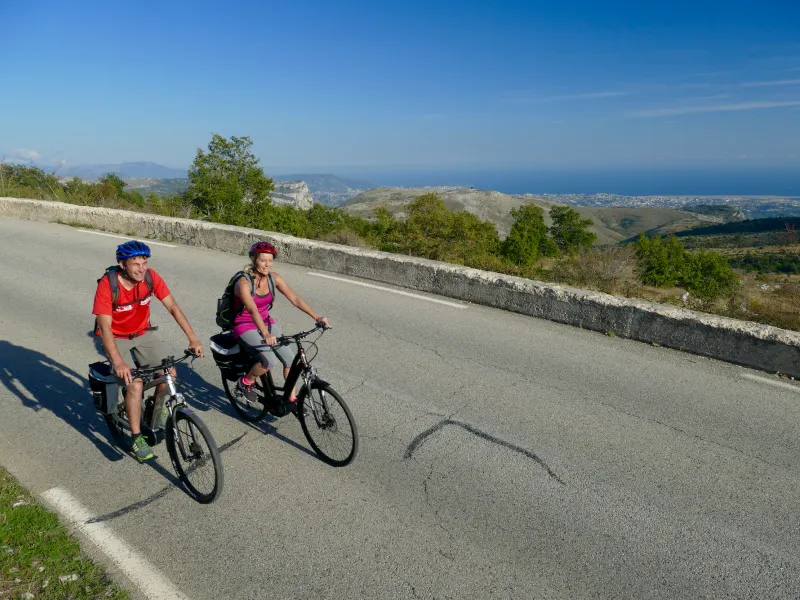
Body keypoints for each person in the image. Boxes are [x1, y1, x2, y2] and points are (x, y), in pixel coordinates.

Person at [92, 240, 204, 461]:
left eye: (144, 262)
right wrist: (118, 362)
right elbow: (104, 327)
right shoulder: (108, 285)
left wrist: (192, 338)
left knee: (169, 375)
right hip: (116, 338)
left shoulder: (150, 277)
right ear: (122, 264)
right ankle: (136, 438)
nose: (142, 269)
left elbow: (173, 307)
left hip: (142, 333)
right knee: (135, 384)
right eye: (136, 264)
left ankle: (154, 410)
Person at [232, 241, 330, 404]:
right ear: (254, 259)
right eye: (263, 260)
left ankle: (291, 399)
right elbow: (252, 310)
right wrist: (265, 333)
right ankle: (245, 382)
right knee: (269, 361)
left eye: (270, 261)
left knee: (290, 361)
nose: (267, 264)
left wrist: (317, 317)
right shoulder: (243, 283)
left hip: (266, 321)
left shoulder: (273, 278)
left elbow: (295, 299)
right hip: (244, 325)